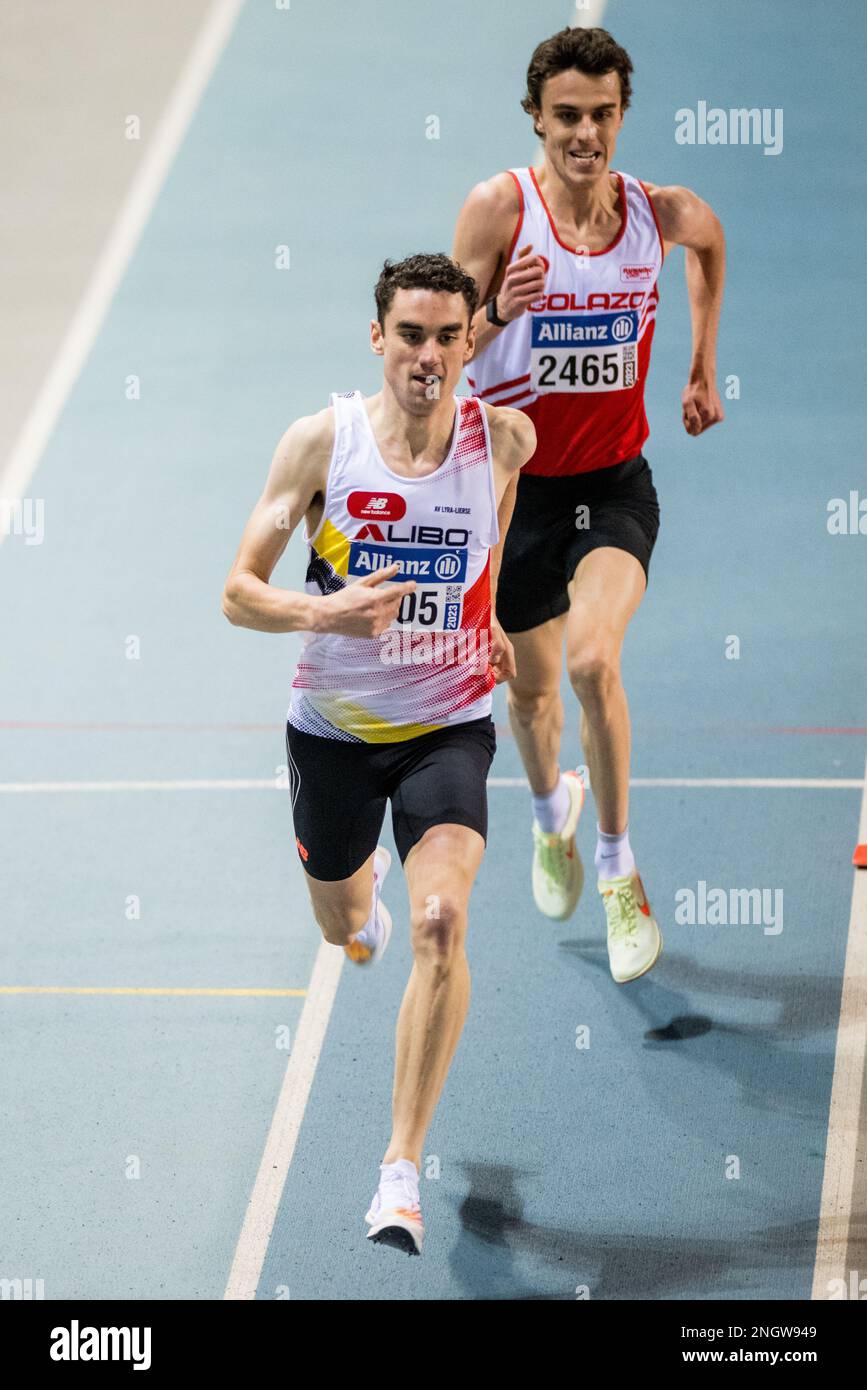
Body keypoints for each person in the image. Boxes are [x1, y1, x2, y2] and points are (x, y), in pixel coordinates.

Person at [222, 253, 535, 1254]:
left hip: (449, 729)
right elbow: (239, 587)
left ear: (467, 342)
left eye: (449, 336)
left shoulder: (505, 440)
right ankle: (362, 925)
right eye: (411, 334)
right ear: (378, 338)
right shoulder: (321, 446)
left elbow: (488, 540)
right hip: (336, 739)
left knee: (443, 918)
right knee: (345, 923)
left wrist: (481, 619)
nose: (430, 355)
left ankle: (398, 1171)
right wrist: (329, 611)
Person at [451, 25, 726, 982]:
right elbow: (438, 354)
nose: (584, 133)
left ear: (621, 116)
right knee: (527, 696)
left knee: (592, 660)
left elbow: (709, 238)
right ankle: (548, 817)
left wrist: (699, 365)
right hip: (517, 494)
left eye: (602, 114)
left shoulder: (655, 212)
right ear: (535, 118)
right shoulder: (498, 211)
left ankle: (617, 870)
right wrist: (493, 315)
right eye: (565, 115)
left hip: (613, 485)